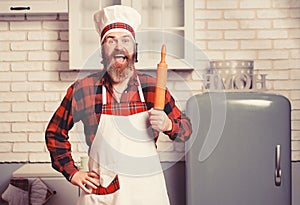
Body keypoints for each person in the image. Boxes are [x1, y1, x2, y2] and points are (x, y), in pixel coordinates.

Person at [45, 5, 192, 205]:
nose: (118, 47)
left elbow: (186, 130)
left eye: (125, 40)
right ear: (102, 48)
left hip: (146, 194)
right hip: (102, 194)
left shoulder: (152, 88)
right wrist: (72, 173)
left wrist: (168, 125)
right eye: (110, 40)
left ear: (134, 48)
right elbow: (54, 132)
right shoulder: (84, 89)